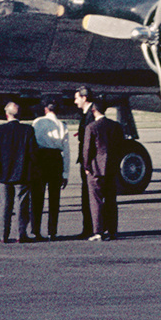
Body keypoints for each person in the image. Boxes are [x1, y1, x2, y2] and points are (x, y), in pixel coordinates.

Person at [0, 101, 37, 242]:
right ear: (20, 114)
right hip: (22, 172)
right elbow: (33, 152)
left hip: (3, 173)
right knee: (21, 205)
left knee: (3, 206)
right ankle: (20, 234)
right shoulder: (27, 130)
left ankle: (3, 235)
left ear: (6, 114)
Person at [82, 101, 126, 241]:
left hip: (96, 169)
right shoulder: (115, 126)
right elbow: (121, 146)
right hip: (111, 168)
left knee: (96, 201)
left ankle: (98, 231)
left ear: (94, 110)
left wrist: (86, 166)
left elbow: (87, 150)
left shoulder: (91, 127)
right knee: (111, 200)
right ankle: (113, 230)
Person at [31, 100, 70, 239]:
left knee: (37, 197)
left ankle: (36, 230)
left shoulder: (37, 122)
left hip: (41, 159)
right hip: (56, 159)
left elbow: (33, 143)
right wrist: (65, 173)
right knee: (54, 198)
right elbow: (66, 151)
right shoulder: (62, 125)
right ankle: (52, 231)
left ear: (45, 109)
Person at [73, 87, 97, 238]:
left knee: (90, 196)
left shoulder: (91, 115)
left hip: (91, 163)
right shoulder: (86, 114)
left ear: (84, 97)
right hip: (86, 161)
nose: (75, 101)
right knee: (87, 196)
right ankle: (89, 228)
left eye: (77, 98)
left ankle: (92, 229)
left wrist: (88, 163)